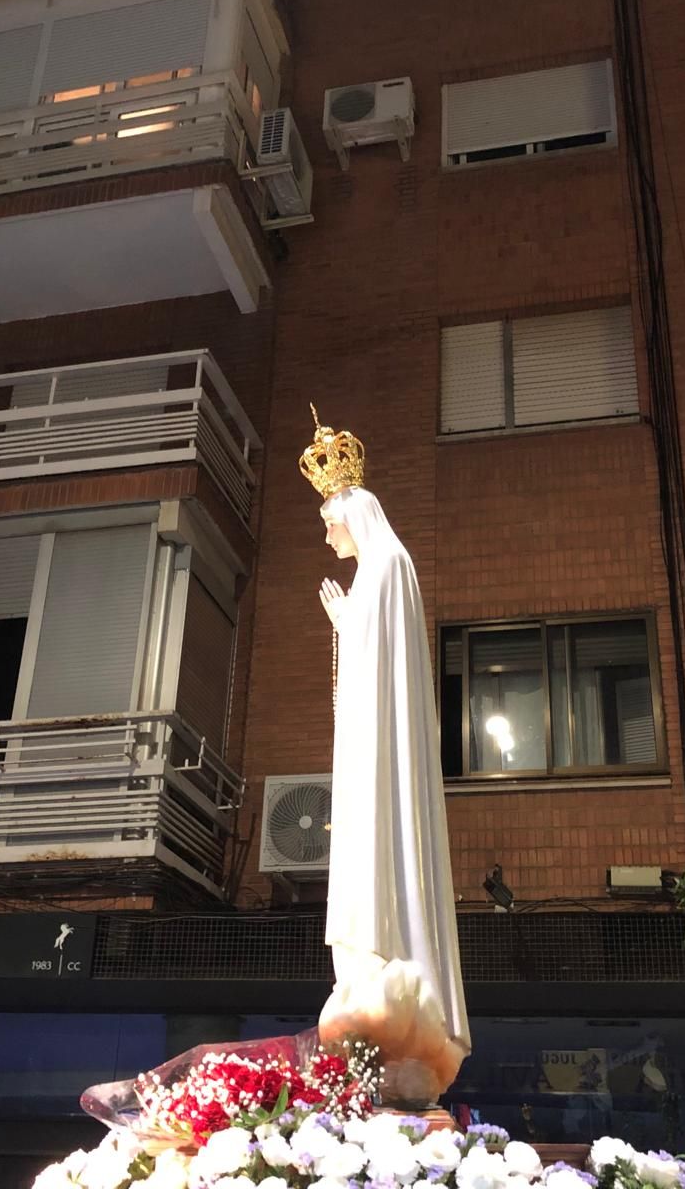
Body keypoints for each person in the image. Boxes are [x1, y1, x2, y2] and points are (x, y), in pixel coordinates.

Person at [299, 407, 471, 1106]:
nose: (328, 534)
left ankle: (392, 968)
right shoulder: (375, 575)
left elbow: (388, 669)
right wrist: (348, 625)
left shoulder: (388, 565)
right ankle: (368, 971)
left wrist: (351, 625)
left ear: (353, 513)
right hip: (366, 748)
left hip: (385, 764)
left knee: (384, 851)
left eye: (331, 523)